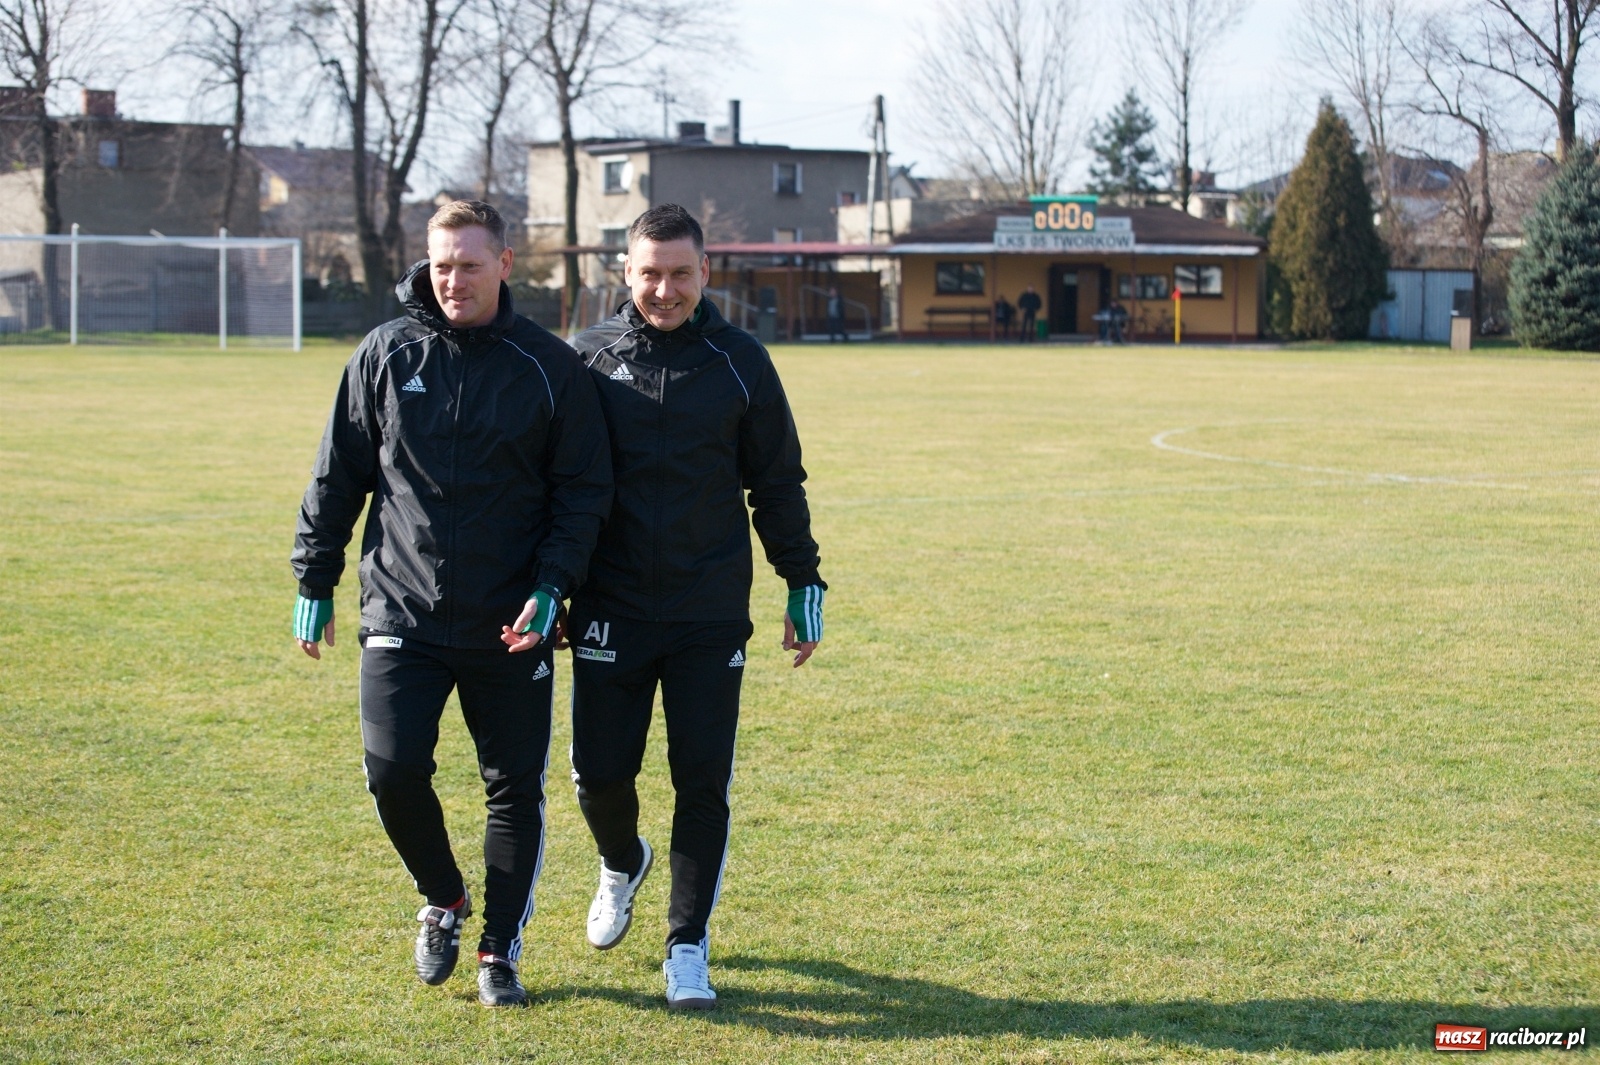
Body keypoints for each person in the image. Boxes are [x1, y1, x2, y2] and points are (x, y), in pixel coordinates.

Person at [291, 200, 612, 1009]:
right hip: (402, 607)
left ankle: (499, 949)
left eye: (470, 264)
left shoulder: (550, 366)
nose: (453, 280)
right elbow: (340, 474)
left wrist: (551, 588)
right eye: (441, 264)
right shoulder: (386, 353)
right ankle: (445, 895)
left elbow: (581, 495)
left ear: (505, 263)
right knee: (392, 772)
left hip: (513, 621)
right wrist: (313, 576)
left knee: (512, 788)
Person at [558, 203, 826, 1011]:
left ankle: (686, 945)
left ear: (706, 273)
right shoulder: (587, 360)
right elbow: (558, 488)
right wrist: (557, 587)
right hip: (610, 605)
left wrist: (802, 582)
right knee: (600, 773)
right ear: (626, 273)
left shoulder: (742, 362)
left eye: (680, 274)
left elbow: (777, 482)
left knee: (700, 779)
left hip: (709, 609)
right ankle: (620, 859)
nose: (664, 289)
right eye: (649, 273)